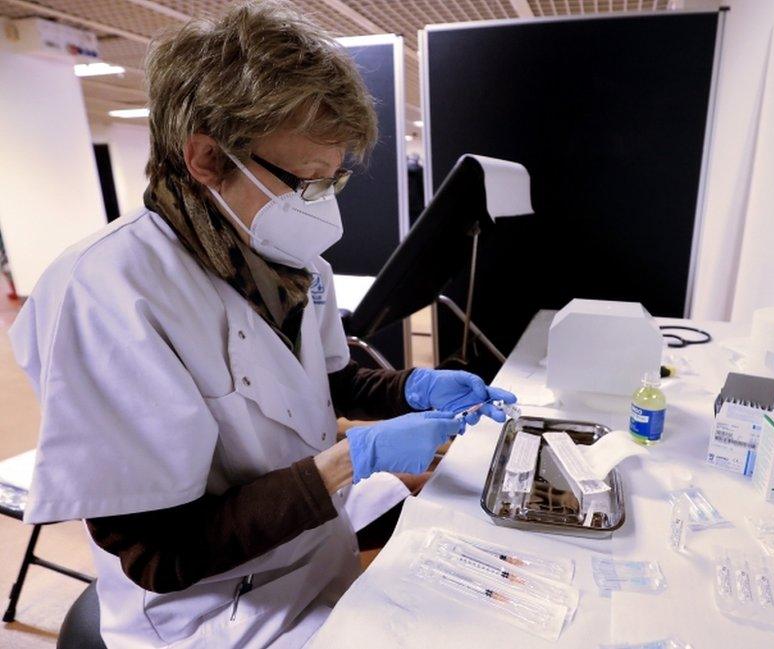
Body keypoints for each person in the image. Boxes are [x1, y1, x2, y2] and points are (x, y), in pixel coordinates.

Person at [8, 2, 515, 647]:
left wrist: (413, 387)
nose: (322, 208)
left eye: (332, 183)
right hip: (212, 610)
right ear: (206, 158)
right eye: (305, 182)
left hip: (308, 546)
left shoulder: (292, 264)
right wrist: (347, 461)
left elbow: (327, 382)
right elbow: (162, 557)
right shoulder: (106, 294)